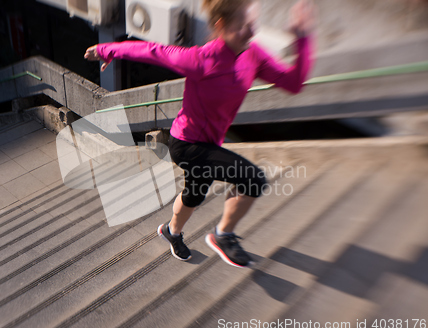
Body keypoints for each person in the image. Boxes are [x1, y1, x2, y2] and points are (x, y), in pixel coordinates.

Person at [85, 0, 315, 268]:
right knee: (252, 179)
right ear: (222, 25)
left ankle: (171, 232)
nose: (251, 32)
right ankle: (223, 236)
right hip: (186, 144)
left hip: (210, 144)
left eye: (253, 25)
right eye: (243, 26)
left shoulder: (253, 55)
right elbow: (152, 50)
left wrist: (303, 39)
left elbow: (295, 83)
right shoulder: (201, 59)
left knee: (194, 195)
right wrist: (107, 49)